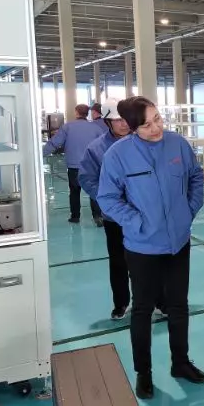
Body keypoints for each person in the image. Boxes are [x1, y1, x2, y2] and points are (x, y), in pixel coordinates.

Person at [96, 96, 204, 400]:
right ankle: (143, 372)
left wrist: (189, 210)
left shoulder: (177, 144)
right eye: (146, 125)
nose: (156, 128)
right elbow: (107, 198)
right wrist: (136, 222)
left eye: (157, 119)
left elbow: (196, 178)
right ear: (131, 128)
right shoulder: (119, 155)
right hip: (142, 246)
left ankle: (180, 362)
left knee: (178, 305)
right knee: (143, 309)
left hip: (178, 243)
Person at [78, 99, 167, 322]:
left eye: (125, 119)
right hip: (115, 217)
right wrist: (109, 198)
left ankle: (159, 301)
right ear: (107, 122)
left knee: (152, 259)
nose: (124, 124)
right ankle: (121, 303)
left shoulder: (146, 141)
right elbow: (87, 178)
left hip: (147, 214)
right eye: (117, 120)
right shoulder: (96, 149)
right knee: (119, 262)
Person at [43, 103, 106, 225]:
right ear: (87, 113)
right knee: (94, 190)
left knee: (74, 191)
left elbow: (54, 143)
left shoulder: (67, 127)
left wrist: (40, 154)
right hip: (92, 166)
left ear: (76, 112)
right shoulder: (96, 128)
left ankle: (75, 217)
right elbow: (103, 145)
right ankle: (98, 217)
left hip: (74, 166)